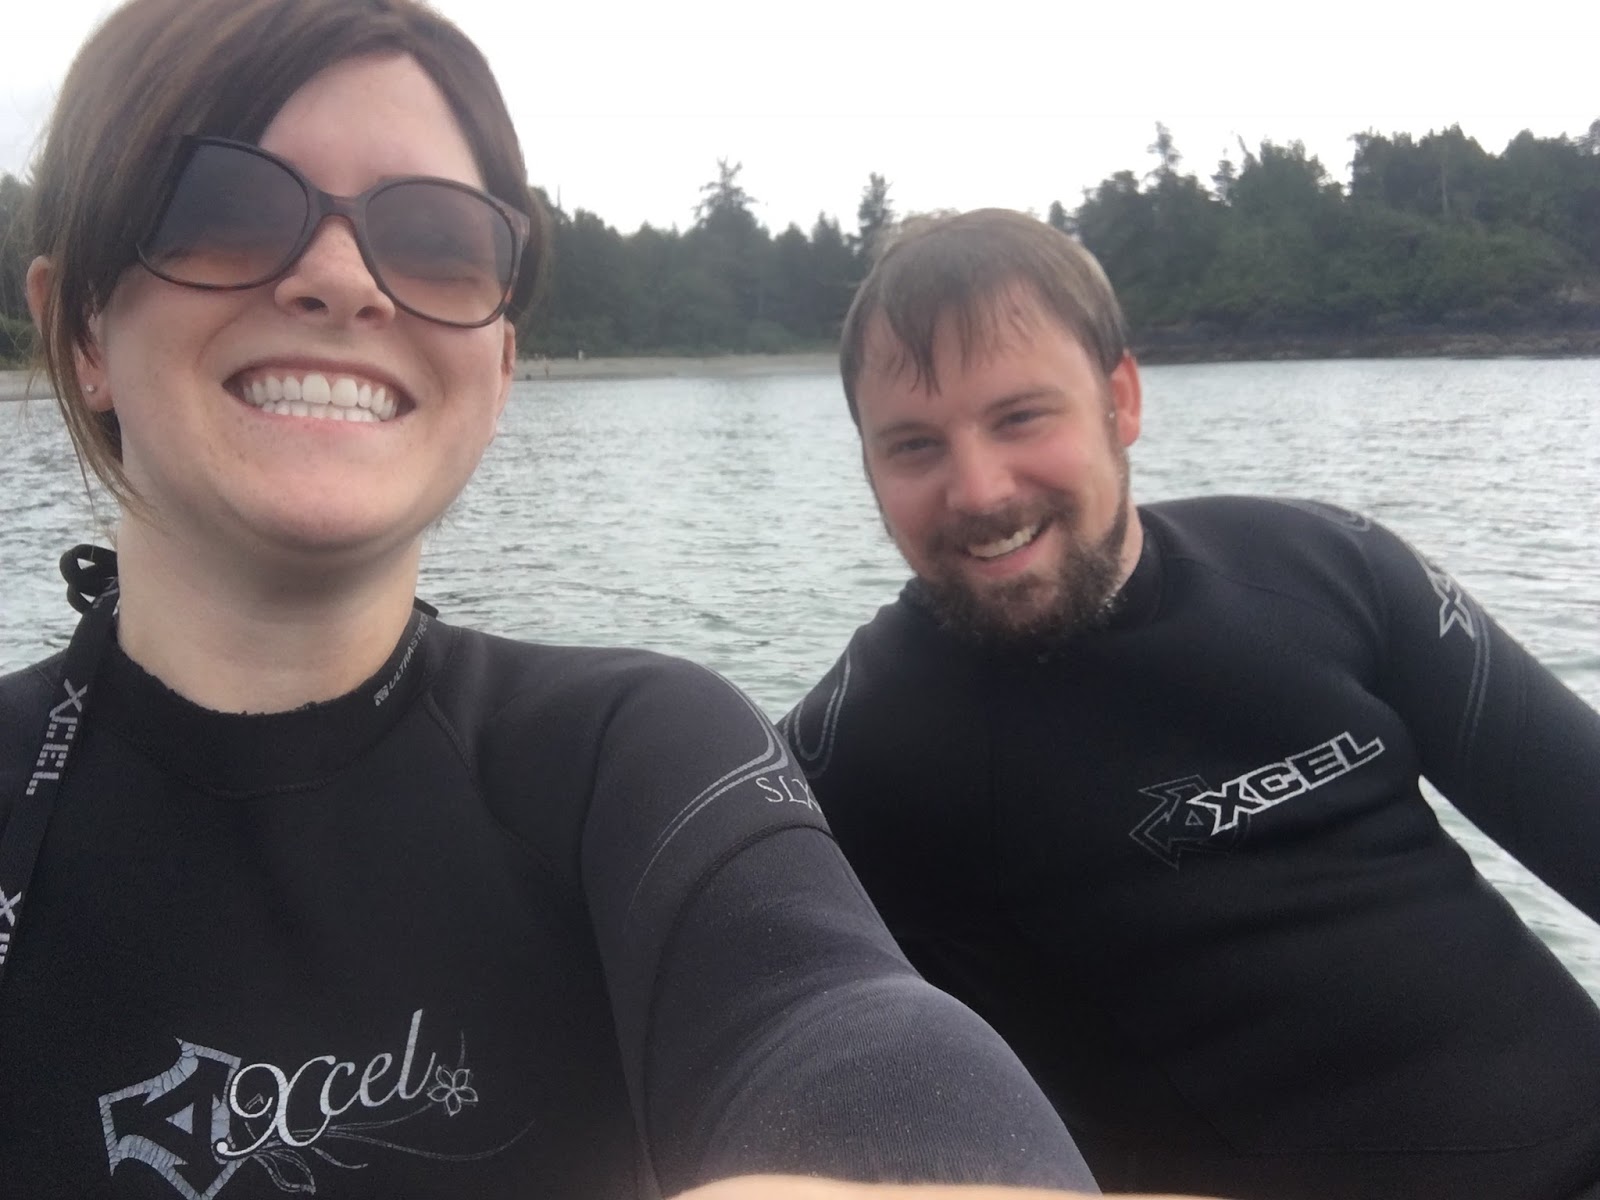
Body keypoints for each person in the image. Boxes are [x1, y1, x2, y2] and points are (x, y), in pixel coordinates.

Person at [0, 8, 1131, 1196]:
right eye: (222, 206)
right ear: (81, 326)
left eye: (435, 237)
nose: (340, 280)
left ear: (498, 369)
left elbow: (838, 1019)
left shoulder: (632, 752)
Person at [782, 208, 1600, 1200]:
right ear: (868, 467)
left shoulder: (1327, 570)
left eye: (1021, 417)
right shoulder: (859, 751)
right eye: (914, 446)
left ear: (1120, 400)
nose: (980, 489)